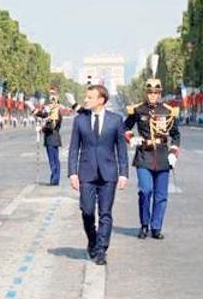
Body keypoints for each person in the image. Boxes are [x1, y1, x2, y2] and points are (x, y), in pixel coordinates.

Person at [67, 85, 129, 265]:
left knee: (105, 213)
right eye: (86, 97)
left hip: (109, 174)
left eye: (89, 97)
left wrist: (123, 173)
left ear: (101, 100)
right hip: (86, 173)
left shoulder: (116, 120)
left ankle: (101, 249)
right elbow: (73, 149)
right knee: (86, 211)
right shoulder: (80, 120)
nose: (85, 100)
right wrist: (72, 173)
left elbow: (121, 149)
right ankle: (92, 239)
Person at [124, 77, 181, 240]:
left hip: (162, 155)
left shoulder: (168, 111)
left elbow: (176, 135)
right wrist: (131, 138)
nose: (153, 96)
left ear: (160, 94)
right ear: (146, 93)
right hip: (144, 155)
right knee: (145, 190)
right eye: (150, 92)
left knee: (161, 195)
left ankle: (156, 227)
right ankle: (144, 224)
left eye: (156, 93)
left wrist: (173, 152)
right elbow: (125, 127)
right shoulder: (138, 110)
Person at [35, 91, 63, 186]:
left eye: (51, 102)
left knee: (53, 161)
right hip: (53, 139)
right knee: (55, 160)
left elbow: (51, 126)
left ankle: (54, 179)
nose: (50, 104)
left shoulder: (55, 113)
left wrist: (41, 128)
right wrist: (32, 109)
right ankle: (55, 178)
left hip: (52, 139)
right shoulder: (53, 112)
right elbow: (43, 115)